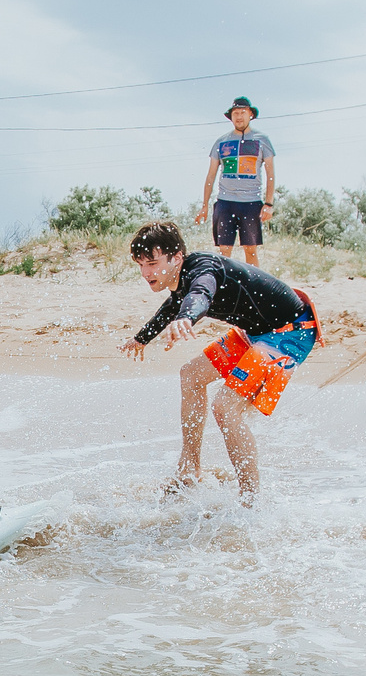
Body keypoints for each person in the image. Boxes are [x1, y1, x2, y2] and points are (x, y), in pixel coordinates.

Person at [117, 220, 318, 503]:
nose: (145, 272)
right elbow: (173, 304)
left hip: (288, 331)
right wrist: (142, 338)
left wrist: (187, 318)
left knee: (225, 407)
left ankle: (250, 499)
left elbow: (201, 293)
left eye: (152, 263)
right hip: (257, 331)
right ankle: (190, 470)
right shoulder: (179, 276)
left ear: (176, 257)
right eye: (140, 265)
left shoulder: (203, 270)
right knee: (190, 375)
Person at [200, 97, 276, 263]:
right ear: (231, 117)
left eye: (242, 112)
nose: (239, 116)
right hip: (225, 202)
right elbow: (211, 175)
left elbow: (270, 174)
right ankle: (225, 288)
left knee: (251, 250)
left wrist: (269, 204)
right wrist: (205, 205)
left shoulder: (262, 140)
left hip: (251, 203)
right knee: (224, 251)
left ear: (250, 114)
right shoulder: (221, 142)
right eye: (235, 113)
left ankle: (253, 287)